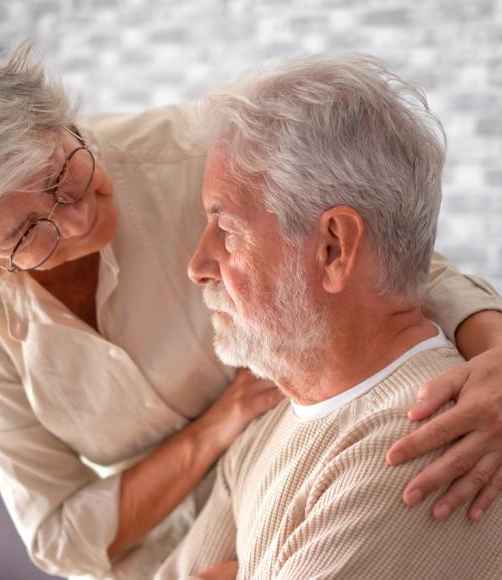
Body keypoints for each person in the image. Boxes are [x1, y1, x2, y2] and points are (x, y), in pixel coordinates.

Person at [0, 45, 501, 578]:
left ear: (59, 121)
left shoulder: (196, 157)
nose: (78, 221)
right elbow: (57, 539)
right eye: (27, 232)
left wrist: (498, 354)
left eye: (63, 176)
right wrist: (217, 430)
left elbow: (384, 256)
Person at [156, 53, 502, 580]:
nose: (197, 266)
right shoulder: (271, 418)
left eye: (226, 231)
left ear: (334, 249)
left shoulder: (424, 446)